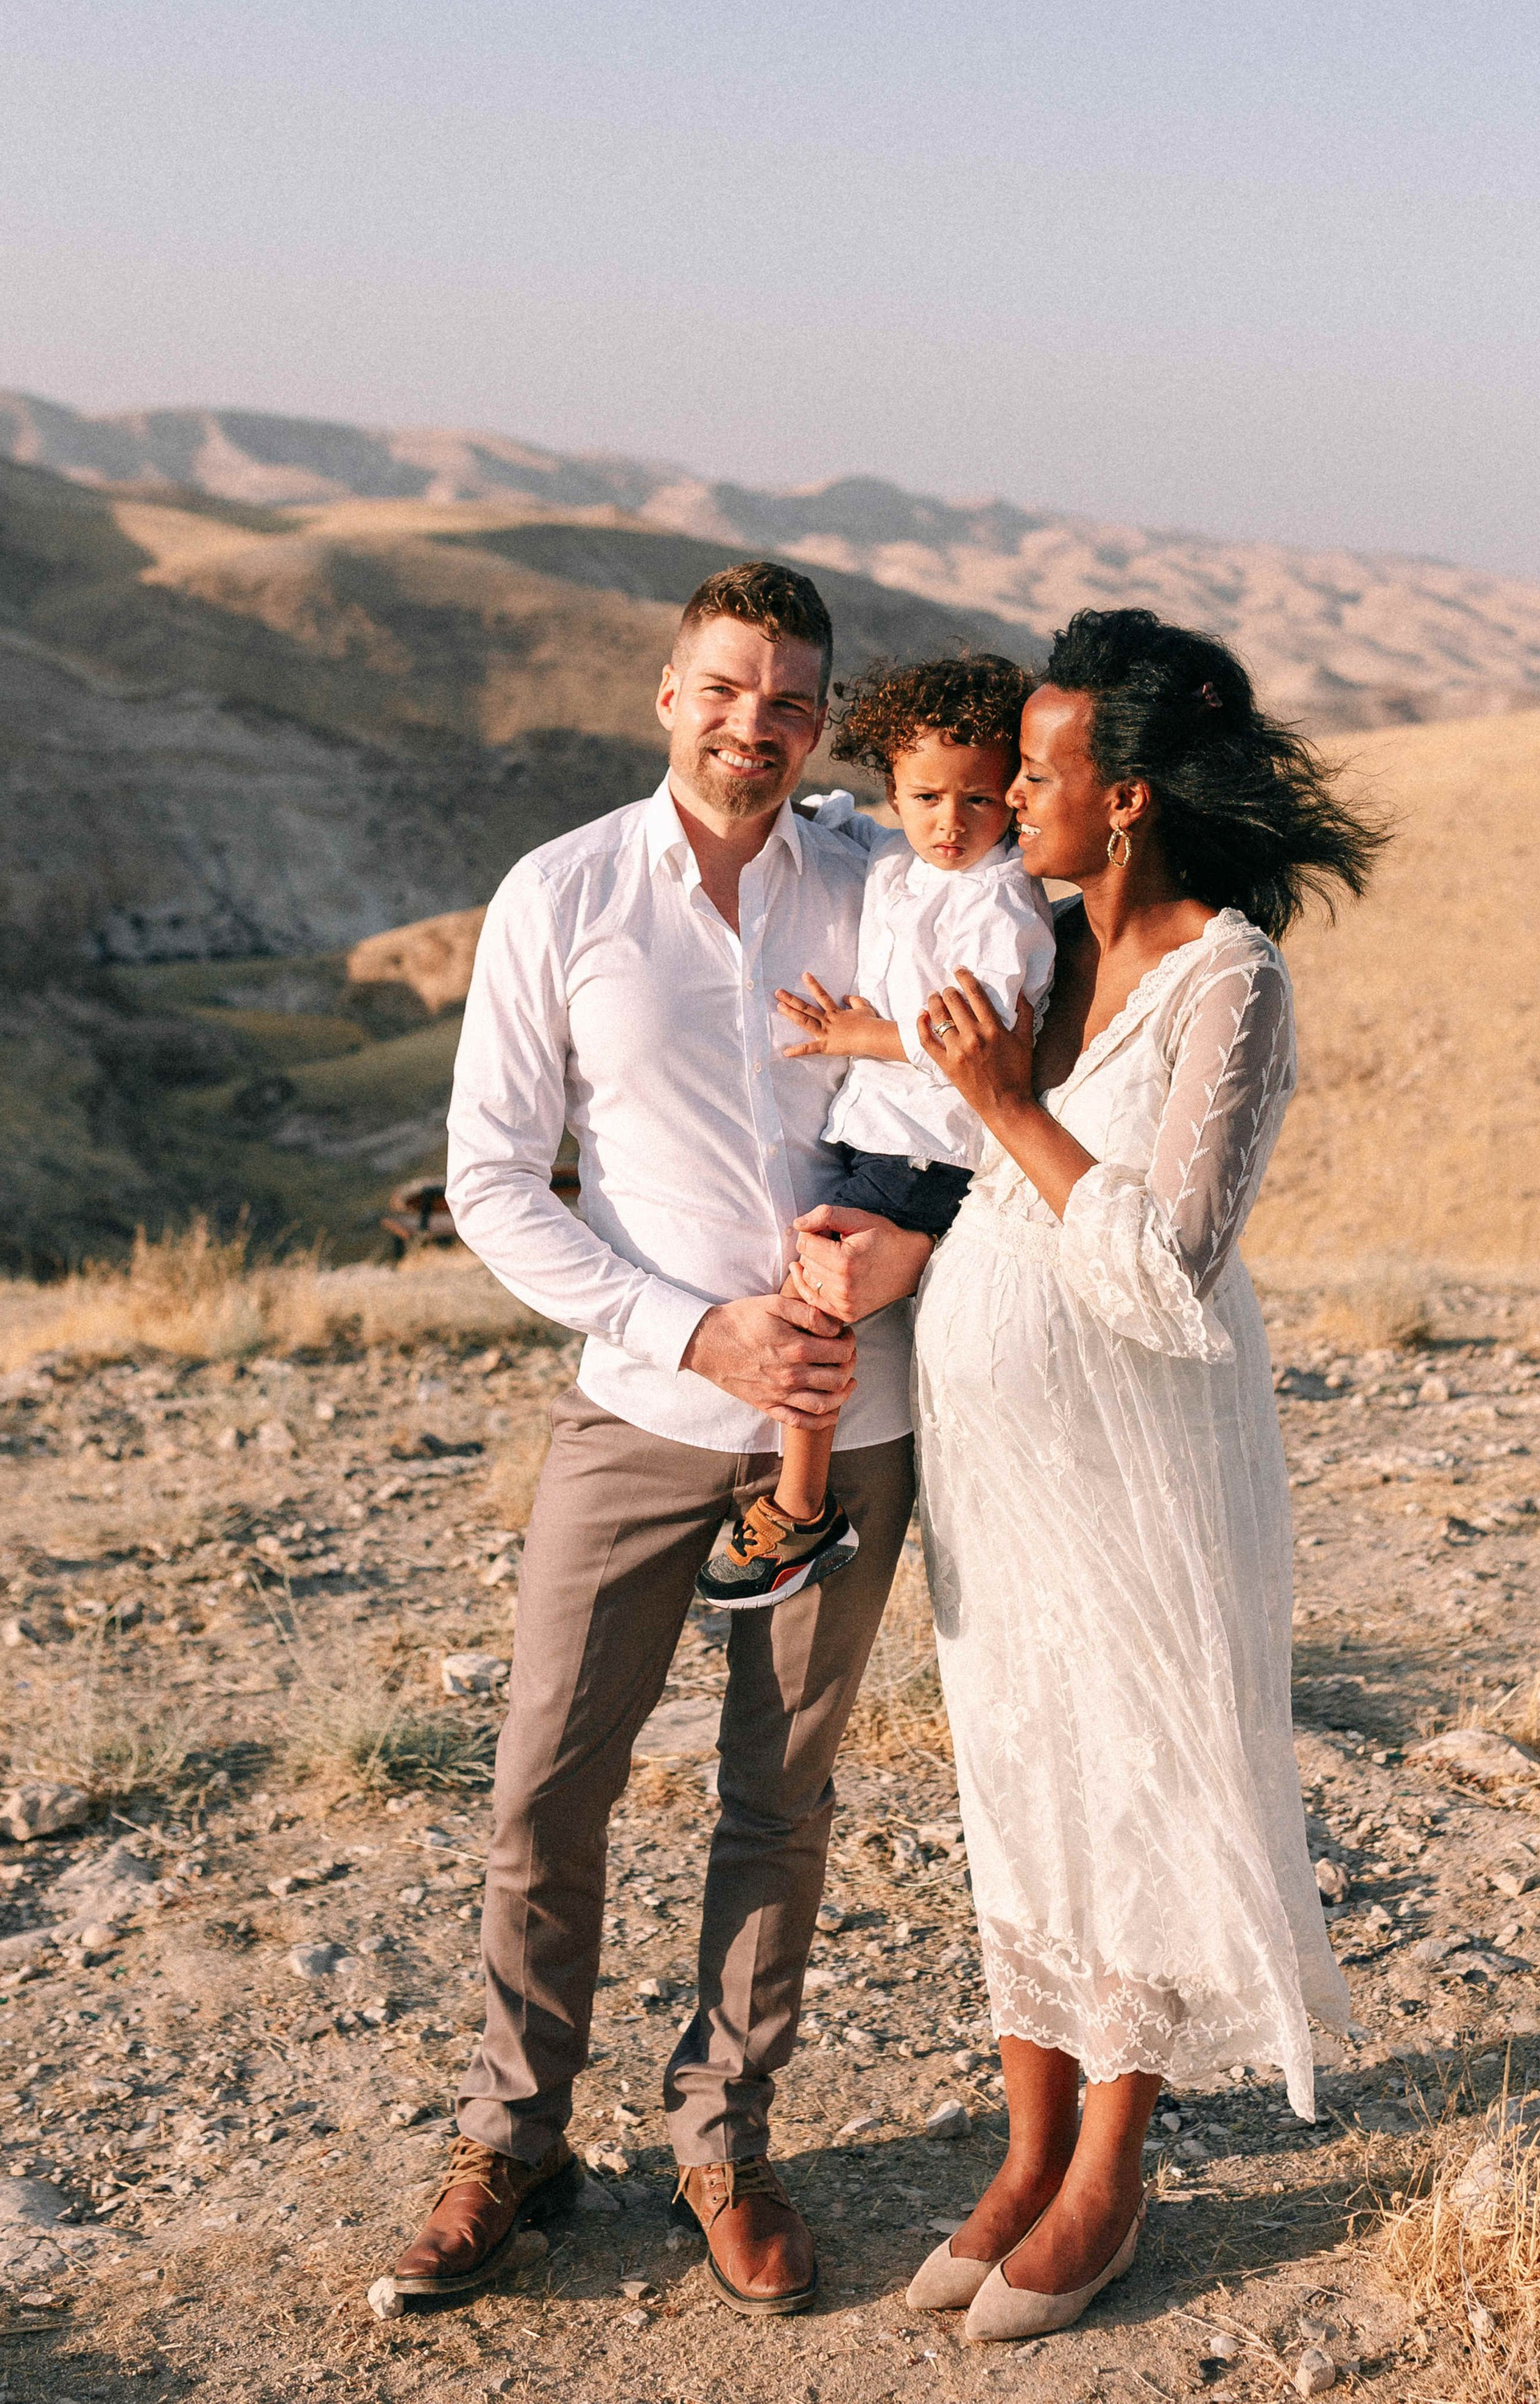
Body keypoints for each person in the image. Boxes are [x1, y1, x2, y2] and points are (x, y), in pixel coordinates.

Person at [384, 561, 931, 2322]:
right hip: (637, 1408)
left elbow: (977, 1071)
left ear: (821, 721)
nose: (749, 728)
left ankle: (725, 2141)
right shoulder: (561, 892)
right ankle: (511, 2142)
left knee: (778, 1799)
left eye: (786, 702)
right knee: (548, 1781)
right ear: (663, 693)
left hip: (851, 1424)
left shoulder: (879, 881)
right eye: (721, 689)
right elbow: (489, 1180)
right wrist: (695, 1327)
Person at [900, 606, 1386, 2346]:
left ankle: (1112, 2166)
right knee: (1017, 1773)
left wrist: (1000, 1102)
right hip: (996, 1464)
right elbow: (982, 1183)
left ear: (1124, 800)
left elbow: (1168, 1262)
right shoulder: (1039, 947)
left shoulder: (1226, 979)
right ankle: (1025, 2152)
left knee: (1132, 1782)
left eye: (1039, 773)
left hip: (1134, 1453)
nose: (1008, 799)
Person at [695, 652, 1056, 1609]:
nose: (951, 822)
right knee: (823, 1288)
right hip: (876, 1132)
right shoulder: (896, 854)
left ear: (1011, 797)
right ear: (891, 788)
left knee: (812, 1305)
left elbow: (987, 1044)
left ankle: (802, 1510)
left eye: (978, 800)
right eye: (925, 796)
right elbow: (835, 822)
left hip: (927, 1146)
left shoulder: (998, 901)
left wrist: (863, 1033)